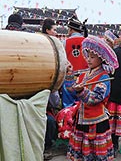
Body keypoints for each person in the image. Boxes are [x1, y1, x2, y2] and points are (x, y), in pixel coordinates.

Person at [64, 35, 119, 161]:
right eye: (87, 56)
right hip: (81, 120)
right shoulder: (84, 74)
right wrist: (69, 74)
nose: (88, 59)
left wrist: (81, 90)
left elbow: (95, 99)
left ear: (101, 58)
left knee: (96, 155)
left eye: (92, 57)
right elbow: (71, 89)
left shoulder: (104, 77)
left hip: (96, 122)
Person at [41, 18, 61, 160]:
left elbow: (54, 102)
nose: (56, 32)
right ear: (47, 30)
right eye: (54, 29)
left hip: (45, 105)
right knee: (50, 121)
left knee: (51, 120)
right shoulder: (48, 45)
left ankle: (46, 146)